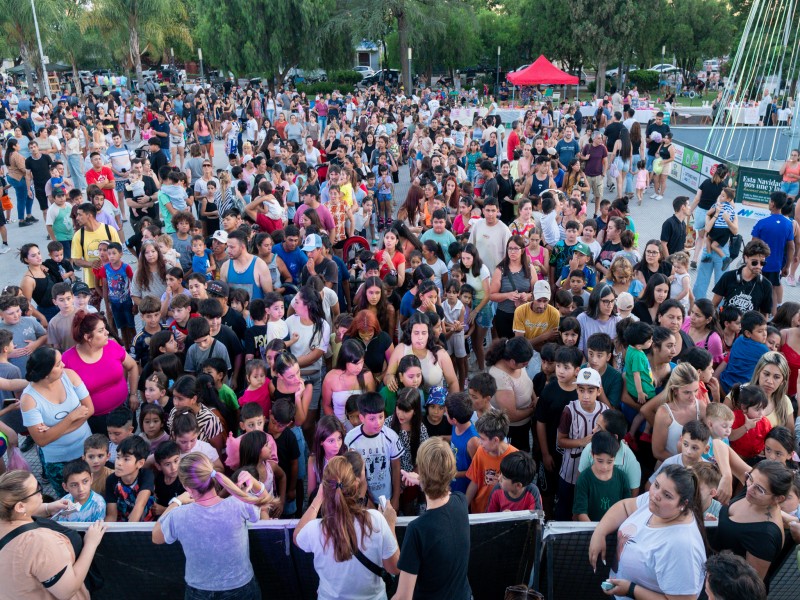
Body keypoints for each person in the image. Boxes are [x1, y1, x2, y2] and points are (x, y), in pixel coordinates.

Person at [152, 452, 278, 599]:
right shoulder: (238, 505)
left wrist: (177, 501)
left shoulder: (178, 515)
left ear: (187, 487)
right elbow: (267, 502)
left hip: (198, 592)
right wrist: (254, 482)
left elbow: (156, 537)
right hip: (241, 589)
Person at [588, 465, 708, 599]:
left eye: (667, 495)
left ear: (682, 504)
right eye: (656, 485)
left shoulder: (682, 546)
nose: (656, 495)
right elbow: (625, 507)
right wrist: (599, 532)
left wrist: (631, 589)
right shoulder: (654, 502)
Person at [294, 455, 400, 599]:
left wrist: (318, 499)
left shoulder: (315, 529)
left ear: (324, 489)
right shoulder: (375, 520)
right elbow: (394, 568)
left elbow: (297, 536)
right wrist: (391, 524)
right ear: (355, 486)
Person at [0, 470, 107, 600]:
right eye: (37, 490)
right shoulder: (40, 543)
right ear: (20, 506)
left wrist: (48, 508)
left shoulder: (5, 513)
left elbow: (19, 512)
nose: (41, 492)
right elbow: (67, 590)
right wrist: (90, 544)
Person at [393, 437, 472, 600]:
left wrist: (388, 523)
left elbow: (402, 597)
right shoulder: (461, 502)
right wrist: (422, 480)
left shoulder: (417, 529)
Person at [20, 347, 94, 490]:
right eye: (58, 364)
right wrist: (71, 417)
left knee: (91, 491)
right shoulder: (29, 399)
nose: (64, 365)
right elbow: (41, 440)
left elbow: (89, 409)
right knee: (67, 500)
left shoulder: (70, 376)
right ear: (46, 373)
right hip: (57, 460)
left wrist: (53, 431)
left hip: (86, 451)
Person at [712, 460, 792, 580]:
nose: (749, 488)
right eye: (750, 478)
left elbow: (749, 584)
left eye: (760, 489)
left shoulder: (765, 535)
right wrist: (727, 476)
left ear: (778, 499)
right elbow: (720, 444)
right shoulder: (752, 490)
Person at [62, 310, 138, 433]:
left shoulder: (112, 346)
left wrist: (133, 394)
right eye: (101, 331)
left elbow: (132, 366)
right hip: (95, 420)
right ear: (88, 337)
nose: (107, 332)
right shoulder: (67, 360)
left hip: (124, 408)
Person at [751, 190, 795, 310]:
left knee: (755, 290)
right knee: (773, 291)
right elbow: (791, 247)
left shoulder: (761, 222)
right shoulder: (788, 224)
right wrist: (787, 266)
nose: (769, 203)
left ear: (773, 204)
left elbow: (752, 245)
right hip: (776, 266)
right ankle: (773, 318)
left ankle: (755, 315)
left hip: (758, 265)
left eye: (770, 201)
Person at [712, 240, 773, 317]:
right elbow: (713, 305)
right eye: (754, 262)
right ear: (746, 258)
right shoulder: (728, 277)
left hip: (749, 328)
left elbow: (764, 315)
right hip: (726, 326)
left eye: (762, 263)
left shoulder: (766, 285)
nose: (758, 266)